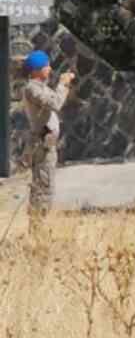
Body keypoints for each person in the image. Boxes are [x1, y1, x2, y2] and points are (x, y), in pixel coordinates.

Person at [21, 50, 74, 230]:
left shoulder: (41, 86)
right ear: (36, 69)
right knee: (42, 188)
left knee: (46, 186)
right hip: (41, 145)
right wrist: (62, 84)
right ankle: (37, 231)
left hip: (48, 144)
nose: (50, 69)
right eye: (46, 66)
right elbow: (56, 103)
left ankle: (39, 229)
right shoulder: (32, 88)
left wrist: (62, 85)